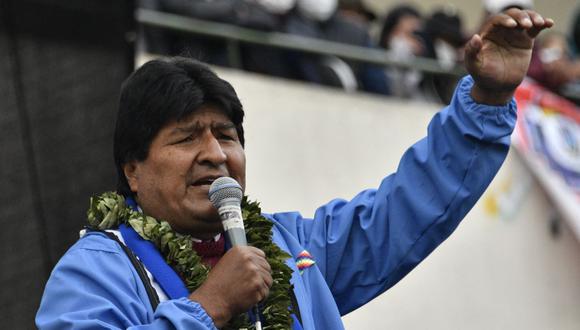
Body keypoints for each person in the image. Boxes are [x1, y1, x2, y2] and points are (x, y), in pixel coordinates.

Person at [36, 9, 553, 329]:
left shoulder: (291, 248)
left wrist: (488, 96)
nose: (216, 154)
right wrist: (210, 305)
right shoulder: (95, 271)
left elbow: (407, 207)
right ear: (132, 170)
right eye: (186, 136)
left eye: (227, 135)